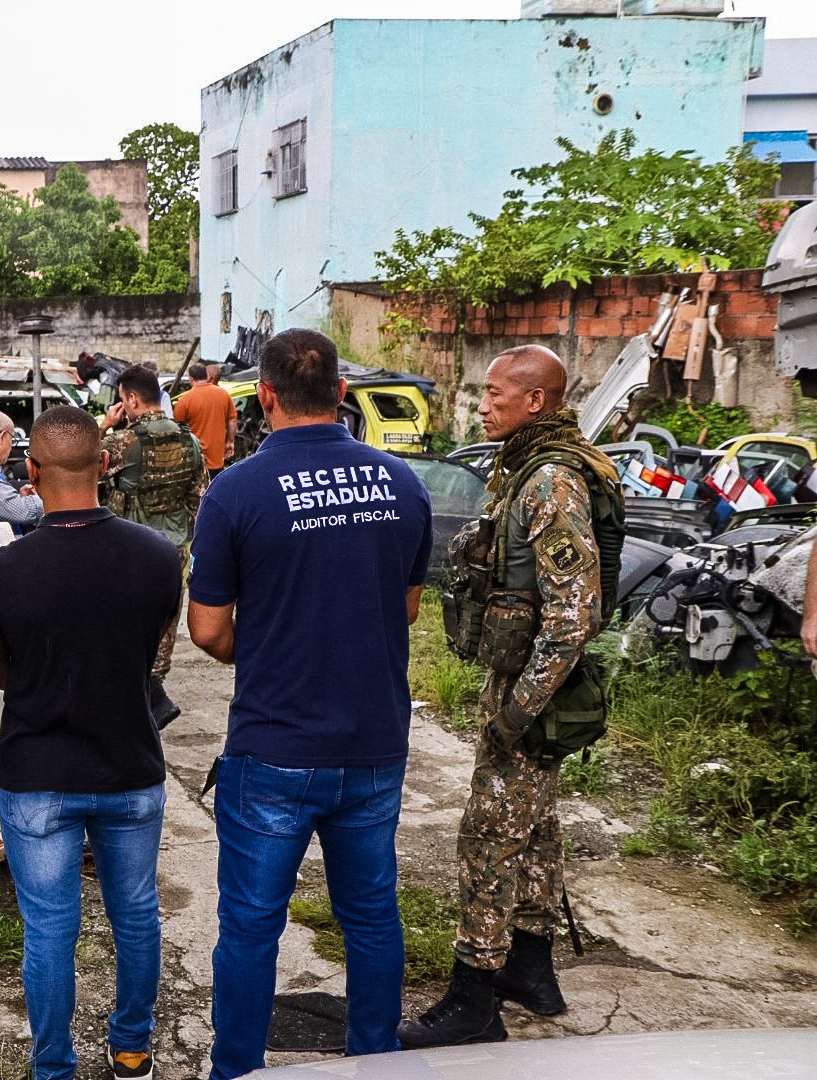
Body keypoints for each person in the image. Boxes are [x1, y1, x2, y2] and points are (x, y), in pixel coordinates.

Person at [187, 329, 432, 1073]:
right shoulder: (403, 483)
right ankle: (374, 1060)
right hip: (373, 741)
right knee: (371, 920)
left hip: (274, 747)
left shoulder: (234, 491)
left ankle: (237, 1068)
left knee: (253, 926)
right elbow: (410, 608)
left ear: (263, 397)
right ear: (343, 394)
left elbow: (206, 629)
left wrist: (261, 647)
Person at [399, 345, 616, 1048]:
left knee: (489, 835)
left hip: (537, 687)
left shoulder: (551, 480)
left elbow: (573, 612)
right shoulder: (530, 465)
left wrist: (519, 709)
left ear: (536, 402)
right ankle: (531, 966)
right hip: (529, 678)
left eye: (496, 395)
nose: (483, 405)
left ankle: (474, 996)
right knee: (537, 830)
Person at [0, 406, 181, 1080]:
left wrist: (34, 672)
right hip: (131, 767)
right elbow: (154, 653)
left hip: (38, 774)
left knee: (52, 932)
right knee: (136, 916)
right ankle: (131, 1050)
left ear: (29, 473)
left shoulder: (2, 571)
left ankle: (54, 1066)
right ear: (105, 465)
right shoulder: (158, 556)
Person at [100, 364, 208, 729]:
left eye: (122, 401)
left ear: (131, 398)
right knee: (163, 630)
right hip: (174, 551)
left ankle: (137, 703)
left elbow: (78, 464)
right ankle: (154, 692)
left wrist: (103, 425)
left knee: (122, 630)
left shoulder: (123, 441)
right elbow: (199, 499)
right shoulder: (189, 440)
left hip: (129, 552)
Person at [172, 362, 238, 477]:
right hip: (217, 460)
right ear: (206, 376)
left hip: (196, 461)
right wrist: (230, 442)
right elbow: (232, 420)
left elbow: (177, 431)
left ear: (191, 378)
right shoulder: (224, 395)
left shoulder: (185, 400)